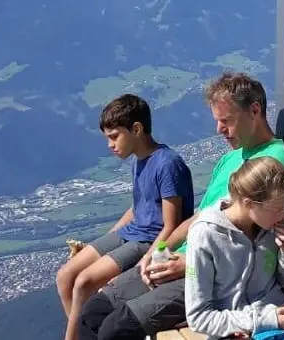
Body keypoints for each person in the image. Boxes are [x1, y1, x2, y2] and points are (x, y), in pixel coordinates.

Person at [77, 72, 284, 340]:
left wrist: (190, 262)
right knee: (92, 313)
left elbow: (263, 245)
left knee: (117, 328)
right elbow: (201, 217)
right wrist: (158, 251)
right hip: (178, 259)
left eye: (226, 120)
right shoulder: (231, 158)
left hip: (206, 274)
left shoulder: (277, 163)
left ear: (254, 110)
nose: (219, 129)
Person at [57, 94, 195, 340]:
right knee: (65, 277)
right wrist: (104, 240)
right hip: (131, 231)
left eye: (114, 136)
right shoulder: (138, 161)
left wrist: (152, 258)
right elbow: (137, 207)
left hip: (148, 240)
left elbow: (171, 225)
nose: (110, 145)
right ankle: (83, 334)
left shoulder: (167, 164)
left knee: (83, 283)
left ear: (137, 129)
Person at [183, 156, 284, 338]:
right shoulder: (206, 235)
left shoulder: (269, 228)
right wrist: (265, 321)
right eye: (277, 208)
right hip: (234, 331)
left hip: (279, 322)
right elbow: (199, 318)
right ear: (249, 204)